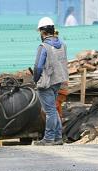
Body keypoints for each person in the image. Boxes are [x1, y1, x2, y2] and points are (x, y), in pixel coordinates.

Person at [33, 17, 68, 146]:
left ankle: (49, 138)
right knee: (53, 109)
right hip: (58, 81)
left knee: (50, 111)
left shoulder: (44, 47)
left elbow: (38, 67)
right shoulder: (62, 45)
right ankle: (58, 137)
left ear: (43, 32)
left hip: (46, 83)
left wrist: (35, 79)